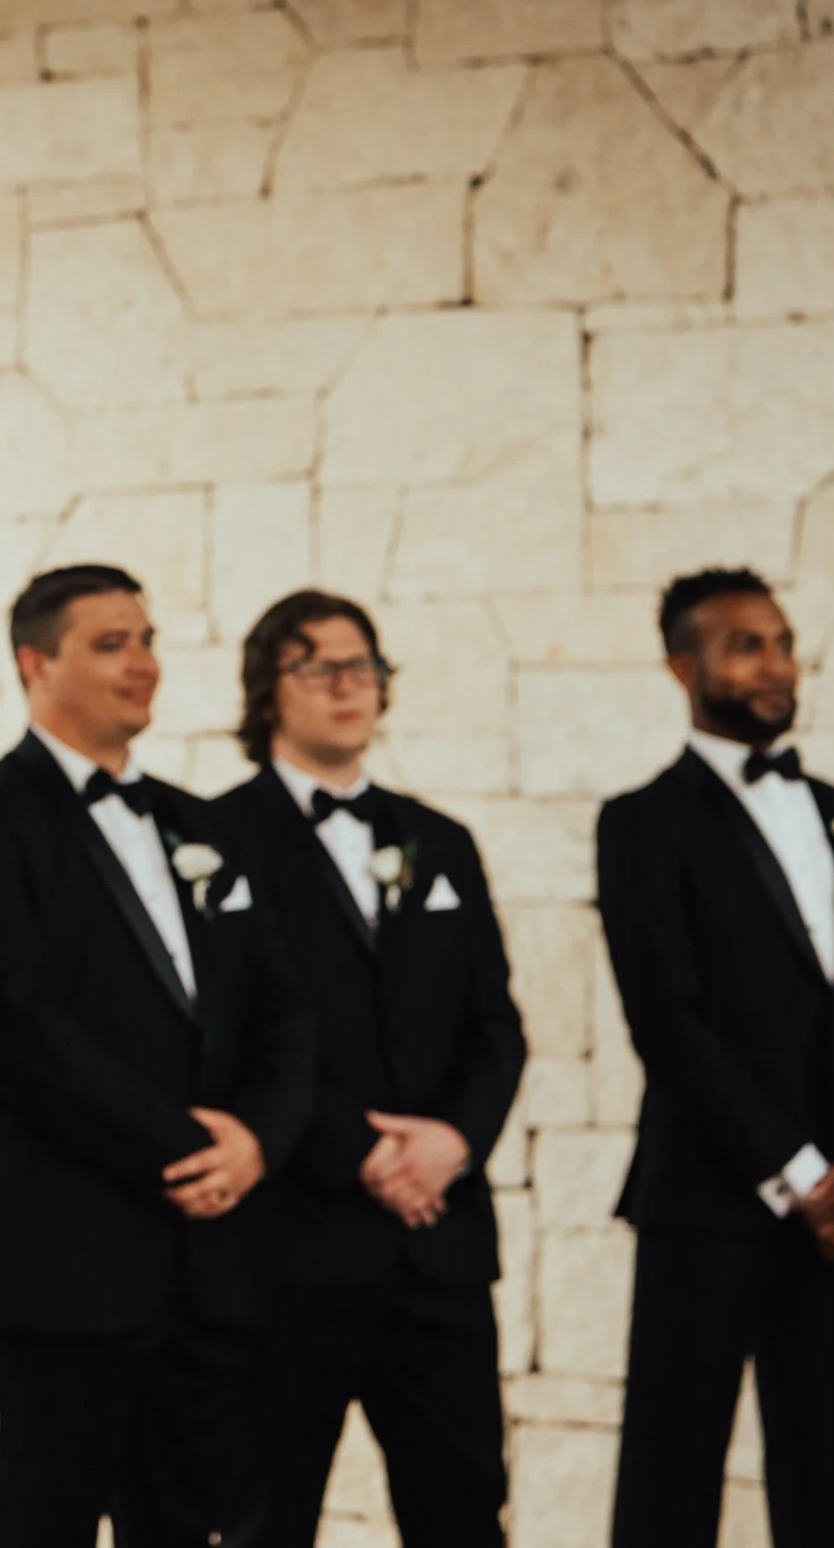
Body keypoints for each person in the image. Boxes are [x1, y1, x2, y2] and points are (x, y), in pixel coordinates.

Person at [0, 563, 313, 1548]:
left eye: (145, 639)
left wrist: (257, 1142)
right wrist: (189, 1147)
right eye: (110, 643)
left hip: (210, 1275)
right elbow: (22, 1031)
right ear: (33, 662)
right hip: (65, 1272)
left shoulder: (203, 822)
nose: (142, 663)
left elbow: (282, 1008)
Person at [212, 590, 523, 1548]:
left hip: (439, 1247)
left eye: (366, 666)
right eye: (320, 665)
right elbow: (232, 1039)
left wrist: (450, 1143)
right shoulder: (214, 839)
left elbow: (495, 1025)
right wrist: (361, 1153)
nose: (350, 685)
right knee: (268, 1513)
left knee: (465, 1509)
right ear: (270, 688)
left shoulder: (442, 841)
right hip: (294, 1245)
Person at [601, 568, 834, 1548]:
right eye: (743, 645)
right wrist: (800, 1172)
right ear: (684, 666)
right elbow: (666, 1022)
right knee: (670, 1473)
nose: (772, 665)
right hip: (708, 1195)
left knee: (821, 1471)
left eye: (780, 641)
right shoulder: (640, 822)